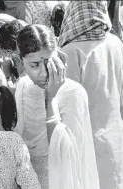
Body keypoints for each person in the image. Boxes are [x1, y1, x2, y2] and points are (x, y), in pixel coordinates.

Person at [15, 24, 100, 189]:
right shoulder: (23, 87)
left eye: (48, 62)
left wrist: (51, 97)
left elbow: (66, 154)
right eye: (34, 65)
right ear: (21, 61)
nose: (44, 72)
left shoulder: (73, 93)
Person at [58, 1, 123, 188]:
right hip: (117, 140)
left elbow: (68, 108)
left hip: (88, 145)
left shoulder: (70, 51)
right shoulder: (116, 43)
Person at [0, 20, 27, 93]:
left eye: (7, 52)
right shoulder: (18, 56)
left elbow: (14, 92)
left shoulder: (28, 61)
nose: (5, 54)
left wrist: (7, 75)